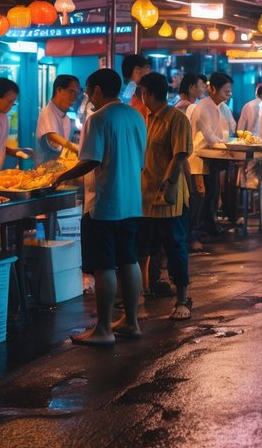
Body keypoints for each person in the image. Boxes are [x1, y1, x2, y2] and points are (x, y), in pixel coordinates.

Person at [52, 69, 147, 347]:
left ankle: (104, 329)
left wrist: (61, 176)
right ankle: (131, 321)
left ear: (96, 90)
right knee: (128, 260)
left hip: (103, 204)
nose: (86, 96)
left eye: (87, 91)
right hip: (131, 201)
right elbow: (140, 161)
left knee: (104, 266)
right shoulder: (135, 117)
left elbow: (91, 160)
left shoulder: (97, 118)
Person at [136, 72, 193, 321]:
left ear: (148, 93)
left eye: (142, 92)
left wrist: (168, 182)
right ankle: (142, 290)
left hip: (168, 198)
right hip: (144, 196)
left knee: (175, 247)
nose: (141, 97)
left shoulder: (176, 119)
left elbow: (180, 155)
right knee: (142, 247)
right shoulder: (144, 119)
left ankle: (182, 299)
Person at [187, 71, 234, 235]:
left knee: (212, 193)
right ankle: (193, 231)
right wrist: (227, 144)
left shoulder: (223, 107)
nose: (229, 94)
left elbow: (231, 127)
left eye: (230, 91)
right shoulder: (203, 108)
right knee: (200, 195)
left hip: (213, 157)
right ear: (213, 89)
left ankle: (209, 225)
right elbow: (209, 135)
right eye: (226, 91)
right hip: (199, 158)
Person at [35, 74, 80, 165]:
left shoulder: (66, 117)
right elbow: (53, 136)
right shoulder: (47, 113)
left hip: (58, 169)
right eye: (71, 91)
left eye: (77, 93)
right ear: (59, 90)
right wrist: (76, 148)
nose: (75, 96)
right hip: (43, 171)